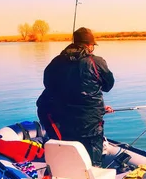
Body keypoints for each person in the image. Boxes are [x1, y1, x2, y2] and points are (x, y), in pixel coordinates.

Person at [37, 27, 115, 167]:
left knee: (68, 152)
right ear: (89, 45)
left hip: (63, 119)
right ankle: (93, 176)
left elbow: (48, 85)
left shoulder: (56, 62)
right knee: (93, 160)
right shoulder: (95, 62)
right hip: (90, 122)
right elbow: (108, 86)